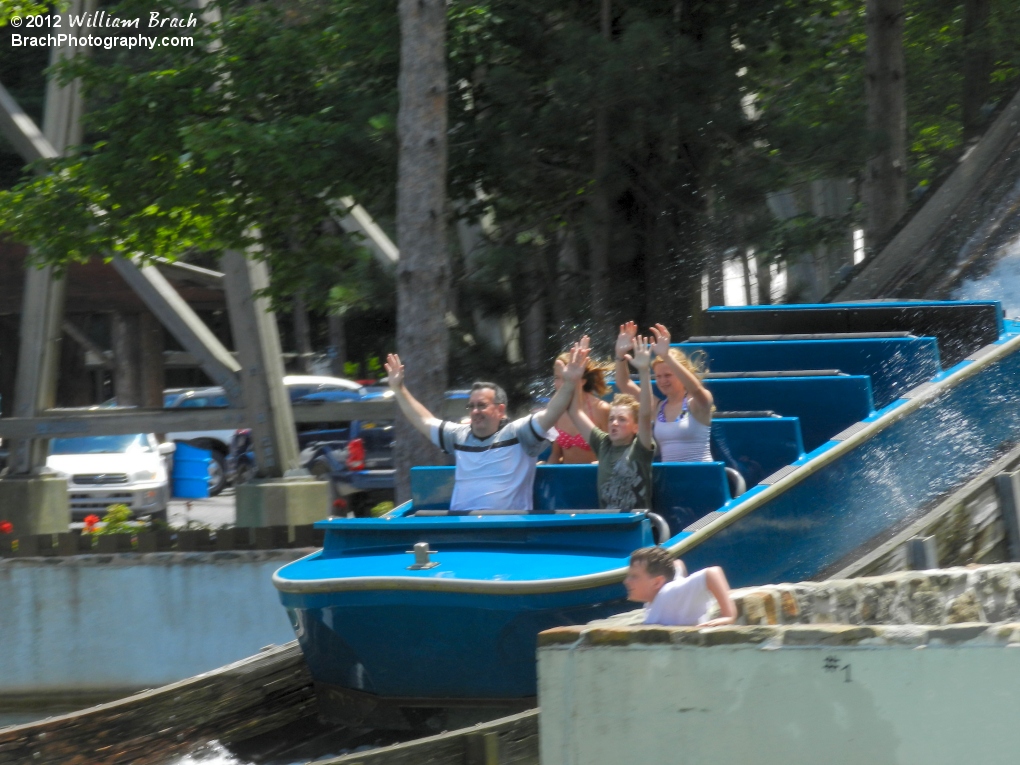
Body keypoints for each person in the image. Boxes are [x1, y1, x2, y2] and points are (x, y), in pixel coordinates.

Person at [384, 344, 588, 512]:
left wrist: (569, 383)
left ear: (500, 410)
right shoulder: (459, 435)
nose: (475, 411)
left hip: (509, 528)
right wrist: (399, 389)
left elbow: (551, 412)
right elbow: (424, 420)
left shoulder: (518, 433)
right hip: (461, 527)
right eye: (471, 406)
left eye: (481, 405)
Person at [565, 334, 655, 511]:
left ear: (635, 427)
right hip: (610, 522)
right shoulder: (603, 444)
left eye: (622, 420)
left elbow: (645, 414)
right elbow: (575, 412)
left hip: (638, 524)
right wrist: (576, 378)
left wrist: (644, 371)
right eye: (612, 419)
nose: (614, 423)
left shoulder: (640, 448)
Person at [615, 321, 714, 462]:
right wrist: (620, 354)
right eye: (658, 377)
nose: (662, 381)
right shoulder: (657, 408)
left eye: (668, 375)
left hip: (702, 477)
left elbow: (696, 389)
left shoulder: (697, 404)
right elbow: (623, 383)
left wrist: (667, 356)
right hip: (670, 478)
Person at [624, 546, 737, 627]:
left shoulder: (668, 594)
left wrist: (728, 615)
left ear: (657, 582)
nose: (626, 581)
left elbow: (712, 573)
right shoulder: (657, 597)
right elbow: (677, 564)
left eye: (634, 576)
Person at [548, 352, 611, 464]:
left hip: (594, 477)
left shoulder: (601, 409)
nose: (560, 384)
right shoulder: (556, 409)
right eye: (557, 378)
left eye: (566, 378)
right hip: (567, 477)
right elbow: (556, 454)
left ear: (582, 380)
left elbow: (612, 453)